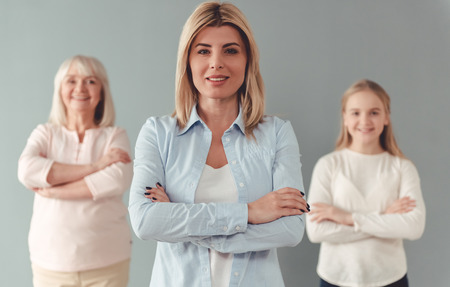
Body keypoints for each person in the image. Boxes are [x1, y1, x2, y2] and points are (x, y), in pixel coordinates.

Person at [128, 2, 309, 286]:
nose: (216, 62)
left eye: (230, 50)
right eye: (203, 51)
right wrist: (250, 213)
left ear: (248, 59)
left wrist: (182, 223)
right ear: (187, 60)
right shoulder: (157, 133)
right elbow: (145, 221)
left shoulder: (277, 134)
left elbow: (290, 229)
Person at [18, 55, 133, 287]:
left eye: (91, 81)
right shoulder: (45, 133)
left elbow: (117, 179)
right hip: (50, 262)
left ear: (102, 91)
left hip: (108, 260)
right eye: (71, 80)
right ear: (60, 90)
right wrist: (96, 166)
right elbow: (27, 170)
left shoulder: (115, 136)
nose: (80, 88)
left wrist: (53, 190)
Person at [306, 79, 426, 287]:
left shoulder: (402, 168)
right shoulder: (328, 165)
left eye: (374, 112)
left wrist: (346, 218)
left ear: (386, 117)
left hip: (390, 278)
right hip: (336, 277)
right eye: (355, 112)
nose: (365, 121)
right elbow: (316, 232)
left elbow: (414, 227)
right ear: (344, 117)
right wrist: (385, 219)